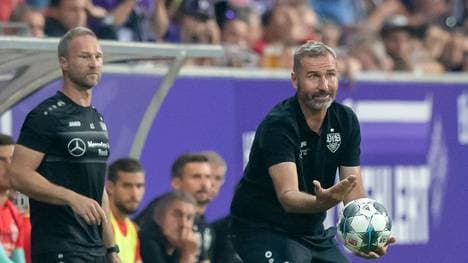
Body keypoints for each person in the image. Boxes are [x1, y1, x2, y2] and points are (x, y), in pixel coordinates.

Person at [230, 41, 396, 262]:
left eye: (331, 75)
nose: (324, 86)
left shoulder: (345, 119)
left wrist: (364, 235)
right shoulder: (280, 125)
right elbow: (288, 197)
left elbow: (353, 191)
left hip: (312, 232)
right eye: (313, 76)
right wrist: (321, 203)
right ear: (294, 80)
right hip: (261, 229)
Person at [8, 27, 120, 263]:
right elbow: (17, 175)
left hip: (95, 250)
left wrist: (111, 249)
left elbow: (97, 189)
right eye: (84, 56)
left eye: (98, 57)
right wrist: (71, 197)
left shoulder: (97, 119)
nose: (93, 63)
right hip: (59, 248)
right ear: (64, 63)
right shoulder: (46, 116)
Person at [135, 153, 214, 263]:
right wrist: (188, 255)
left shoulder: (202, 223)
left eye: (208, 177)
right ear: (176, 183)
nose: (205, 184)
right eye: (196, 177)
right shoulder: (156, 214)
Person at [139, 190, 198, 263]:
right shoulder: (146, 242)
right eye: (177, 215)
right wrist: (187, 256)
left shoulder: (179, 245)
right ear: (159, 217)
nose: (183, 224)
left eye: (189, 218)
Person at [106, 158, 145, 263]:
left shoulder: (133, 229)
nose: (134, 194)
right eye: (127, 186)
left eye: (139, 186)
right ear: (110, 187)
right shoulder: (101, 223)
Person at [0, 134, 26, 263]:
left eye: (13, 159)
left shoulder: (14, 213)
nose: (10, 167)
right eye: (1, 160)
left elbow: (19, 260)